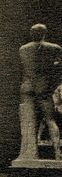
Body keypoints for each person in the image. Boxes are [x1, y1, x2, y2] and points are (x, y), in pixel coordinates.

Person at [18, 23, 62, 160]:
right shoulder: (54, 48)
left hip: (27, 87)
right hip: (43, 87)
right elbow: (57, 66)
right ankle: (57, 152)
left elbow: (26, 66)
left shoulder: (23, 49)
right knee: (49, 120)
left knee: (29, 121)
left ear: (32, 33)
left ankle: (30, 153)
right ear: (44, 33)